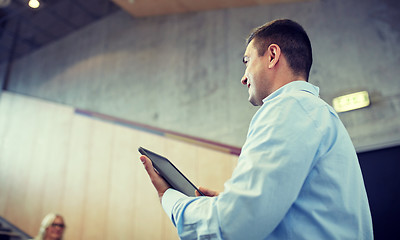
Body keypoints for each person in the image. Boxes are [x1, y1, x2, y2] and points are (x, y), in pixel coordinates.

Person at [140, 19, 373, 239]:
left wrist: (169, 198)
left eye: (247, 61)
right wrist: (231, 202)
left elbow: (234, 225)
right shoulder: (316, 113)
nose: (243, 78)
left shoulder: (288, 107)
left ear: (272, 56)